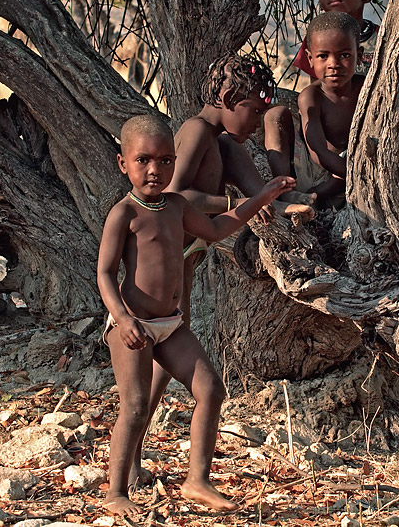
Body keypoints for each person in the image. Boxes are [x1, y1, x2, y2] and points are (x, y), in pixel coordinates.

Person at [124, 54, 313, 493]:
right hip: (161, 265)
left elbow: (257, 194)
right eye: (253, 110)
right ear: (229, 99)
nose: (257, 120)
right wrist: (231, 208)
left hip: (186, 258)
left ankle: (145, 460)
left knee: (168, 360)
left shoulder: (226, 143)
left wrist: (283, 203)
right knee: (158, 363)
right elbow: (174, 195)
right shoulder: (194, 132)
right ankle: (130, 460)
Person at [98, 113, 296, 517]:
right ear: (123, 163)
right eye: (143, 161)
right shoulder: (124, 214)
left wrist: (261, 198)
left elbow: (216, 228)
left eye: (165, 161)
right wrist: (122, 319)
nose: (155, 170)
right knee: (135, 406)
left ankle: (197, 479)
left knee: (211, 390)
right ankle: (116, 491)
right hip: (132, 325)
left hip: (169, 326)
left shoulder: (176, 205)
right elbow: (104, 273)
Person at [264, 0, 378, 184]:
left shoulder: (381, 40)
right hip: (319, 144)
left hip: (361, 140)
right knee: (275, 114)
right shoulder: (316, 38)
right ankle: (284, 185)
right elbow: (317, 91)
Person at [292, 11, 363, 207]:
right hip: (317, 166)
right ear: (310, 58)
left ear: (360, 54)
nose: (334, 64)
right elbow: (318, 152)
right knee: (275, 117)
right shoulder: (311, 96)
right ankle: (289, 191)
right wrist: (357, 176)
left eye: (345, 55)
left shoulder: (366, 90)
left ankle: (321, 196)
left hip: (348, 164)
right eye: (323, 56)